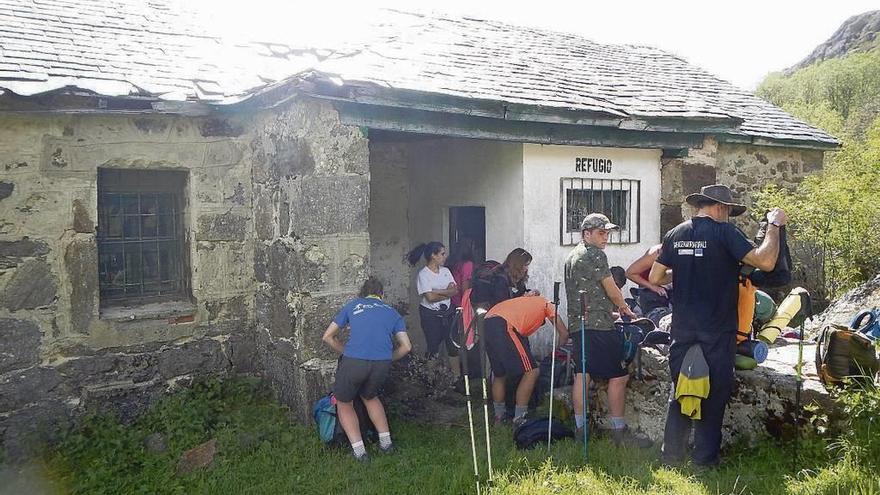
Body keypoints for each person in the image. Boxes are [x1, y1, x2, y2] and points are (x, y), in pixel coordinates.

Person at [649, 184, 786, 467]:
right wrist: (774, 226)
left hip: (682, 330)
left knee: (682, 390)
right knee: (714, 395)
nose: (729, 216)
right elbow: (766, 261)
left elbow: (655, 276)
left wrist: (687, 272)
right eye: (729, 212)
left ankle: (671, 457)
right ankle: (704, 461)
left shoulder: (676, 234)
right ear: (721, 208)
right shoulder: (725, 232)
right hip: (716, 330)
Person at [564, 213, 652, 448]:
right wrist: (624, 308)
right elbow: (611, 288)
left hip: (578, 323)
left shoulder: (572, 256)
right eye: (601, 233)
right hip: (599, 326)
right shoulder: (595, 255)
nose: (606, 238)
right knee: (619, 376)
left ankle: (581, 429)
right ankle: (618, 432)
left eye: (607, 233)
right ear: (587, 234)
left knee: (582, 374)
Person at [322, 277, 413, 462]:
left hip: (354, 361)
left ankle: (360, 452)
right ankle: (386, 444)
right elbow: (406, 346)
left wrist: (346, 351)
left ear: (362, 293)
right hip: (381, 363)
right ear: (382, 294)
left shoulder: (353, 305)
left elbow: (328, 336)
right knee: (370, 397)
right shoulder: (392, 312)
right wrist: (388, 357)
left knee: (344, 403)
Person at [484, 295, 568, 426]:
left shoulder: (525, 301)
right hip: (505, 324)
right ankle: (519, 418)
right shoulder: (547, 305)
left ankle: (499, 417)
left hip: (488, 321)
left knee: (500, 374)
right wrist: (556, 353)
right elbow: (564, 333)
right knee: (532, 371)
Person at [406, 242, 459, 372]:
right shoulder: (423, 274)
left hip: (447, 312)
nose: (445, 256)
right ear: (433, 256)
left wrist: (436, 291)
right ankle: (431, 380)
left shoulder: (446, 271)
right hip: (430, 315)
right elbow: (430, 298)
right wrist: (446, 293)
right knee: (433, 346)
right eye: (442, 254)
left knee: (452, 346)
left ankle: (458, 378)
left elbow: (455, 290)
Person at [473, 248, 538, 310]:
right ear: (517, 265)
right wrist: (523, 298)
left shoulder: (517, 277)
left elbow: (520, 292)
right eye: (525, 265)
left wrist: (530, 293)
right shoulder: (500, 279)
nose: (526, 268)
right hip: (498, 315)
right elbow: (502, 304)